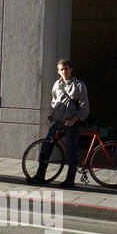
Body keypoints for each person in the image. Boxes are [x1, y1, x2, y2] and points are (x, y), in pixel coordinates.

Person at [45, 59, 89, 189]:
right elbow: (54, 102)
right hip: (58, 122)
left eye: (66, 68)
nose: (64, 71)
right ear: (58, 71)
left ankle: (70, 180)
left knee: (71, 152)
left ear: (71, 69)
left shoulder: (79, 86)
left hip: (72, 123)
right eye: (61, 69)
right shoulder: (56, 85)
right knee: (46, 147)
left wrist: (74, 120)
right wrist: (55, 116)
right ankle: (40, 175)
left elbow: (85, 108)